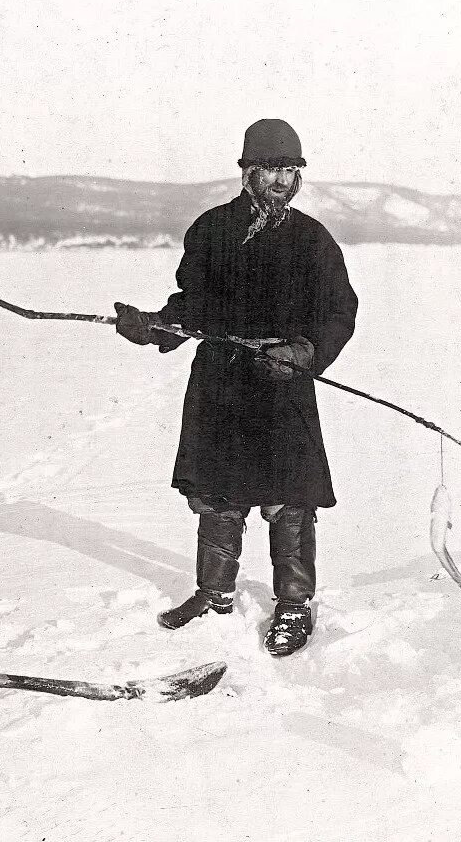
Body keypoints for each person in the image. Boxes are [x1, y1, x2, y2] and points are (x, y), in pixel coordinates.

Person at [114, 118, 358, 656]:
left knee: (288, 497)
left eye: (291, 171)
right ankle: (214, 592)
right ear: (246, 171)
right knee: (218, 492)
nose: (281, 180)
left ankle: (294, 604)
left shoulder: (312, 239)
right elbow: (192, 305)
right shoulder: (209, 230)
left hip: (282, 381)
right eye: (270, 168)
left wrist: (306, 354)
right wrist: (156, 326)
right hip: (221, 379)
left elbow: (341, 312)